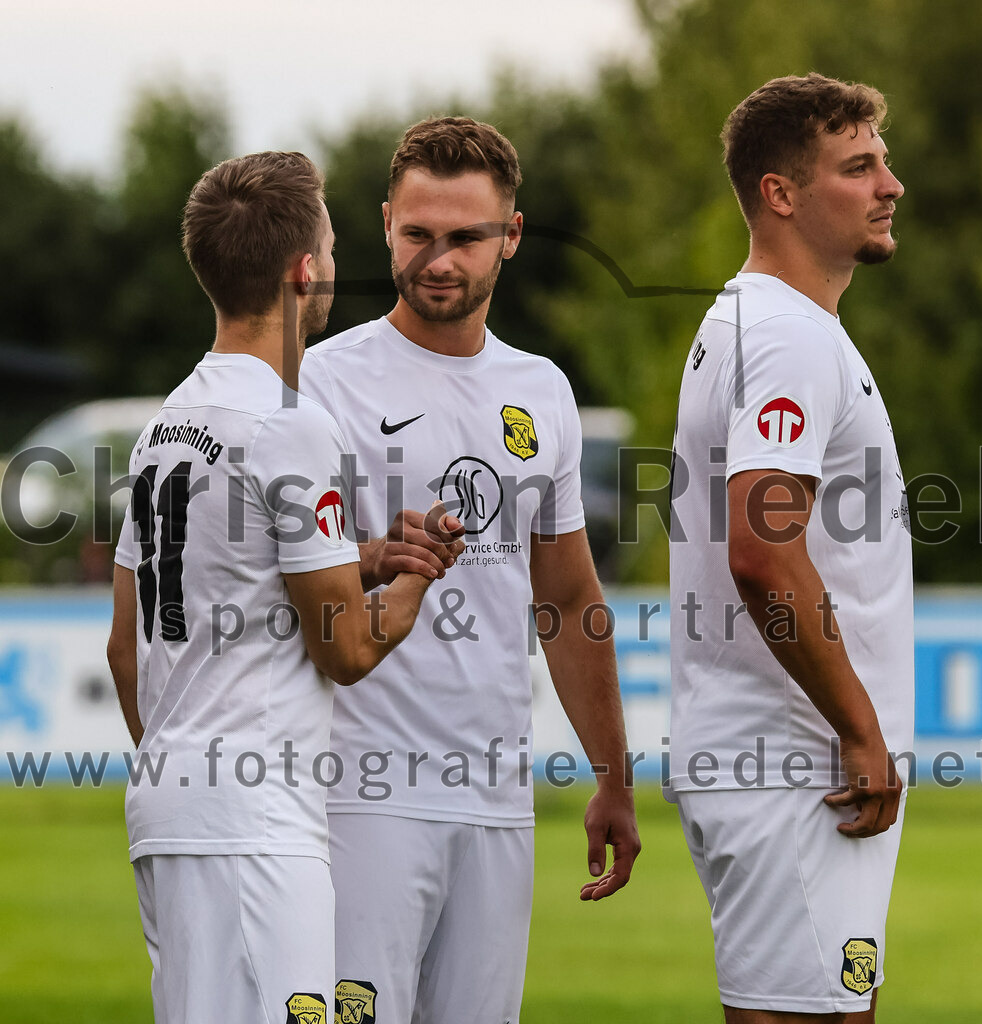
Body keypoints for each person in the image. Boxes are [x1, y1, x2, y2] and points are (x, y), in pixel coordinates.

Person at [299, 116, 640, 1024]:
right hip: (356, 799)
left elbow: (566, 601)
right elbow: (265, 576)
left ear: (512, 237)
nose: (438, 259)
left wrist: (613, 774)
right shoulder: (321, 382)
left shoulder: (543, 391)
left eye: (465, 237)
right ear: (383, 225)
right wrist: (373, 559)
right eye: (418, 235)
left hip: (496, 800)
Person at [106, 150, 452, 1024]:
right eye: (331, 248)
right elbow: (347, 649)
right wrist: (418, 576)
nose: (334, 266)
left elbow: (126, 643)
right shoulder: (290, 425)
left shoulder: (165, 425)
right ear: (305, 271)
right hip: (256, 820)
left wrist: (361, 556)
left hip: (167, 806)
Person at [667, 73, 912, 1022]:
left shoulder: (754, 321)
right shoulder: (786, 338)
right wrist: (858, 727)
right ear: (782, 193)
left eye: (883, 160)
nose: (890, 184)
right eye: (859, 167)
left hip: (777, 754)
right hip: (795, 762)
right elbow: (764, 552)